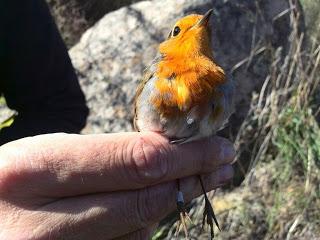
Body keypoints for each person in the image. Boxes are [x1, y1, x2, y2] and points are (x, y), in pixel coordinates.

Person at [0, 0, 235, 239]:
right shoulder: (160, 75)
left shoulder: (218, 80)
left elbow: (61, 107)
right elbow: (137, 116)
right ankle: (180, 209)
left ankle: (201, 203)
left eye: (204, 28)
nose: (198, 28)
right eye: (177, 31)